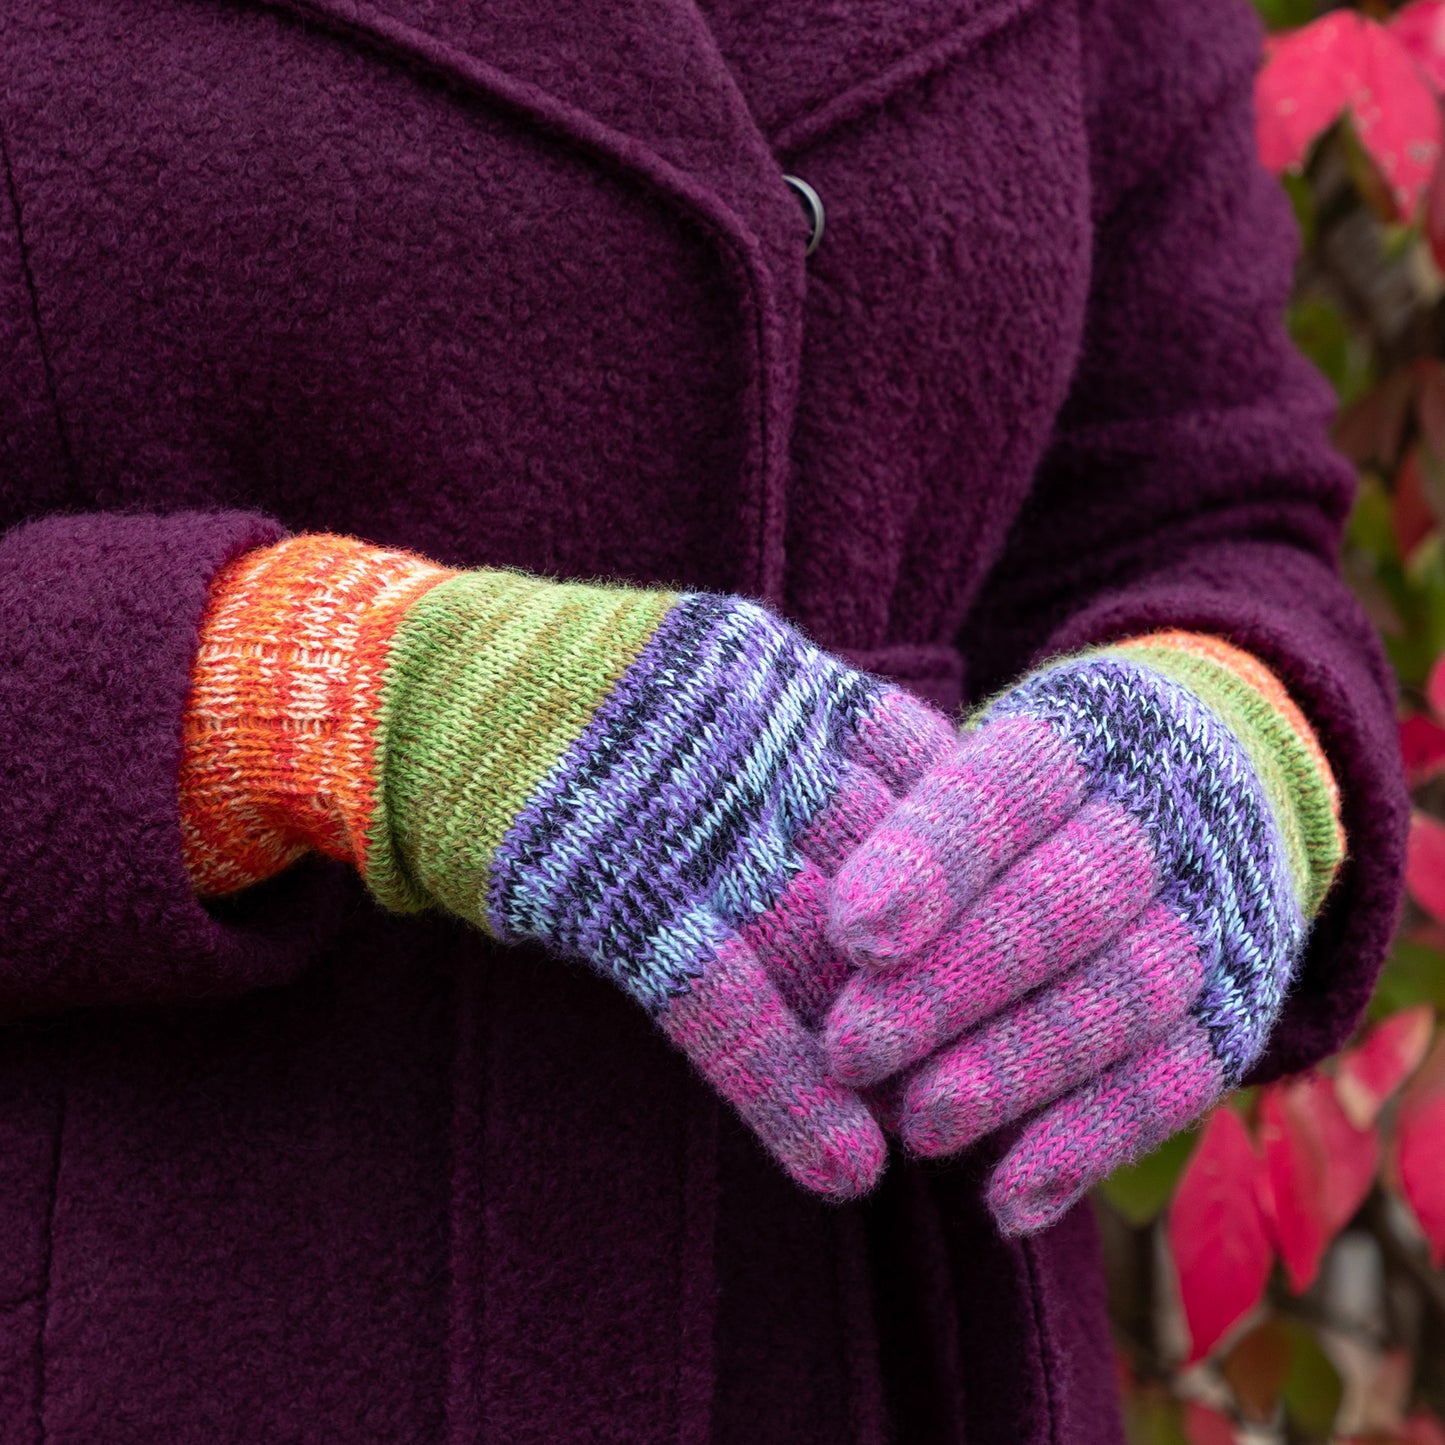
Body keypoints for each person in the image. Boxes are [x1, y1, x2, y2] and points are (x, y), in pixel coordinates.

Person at [0, 0, 1408, 1438]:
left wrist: (1234, 727)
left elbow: (1209, 500)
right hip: (190, 1298)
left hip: (889, 1326)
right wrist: (317, 691)